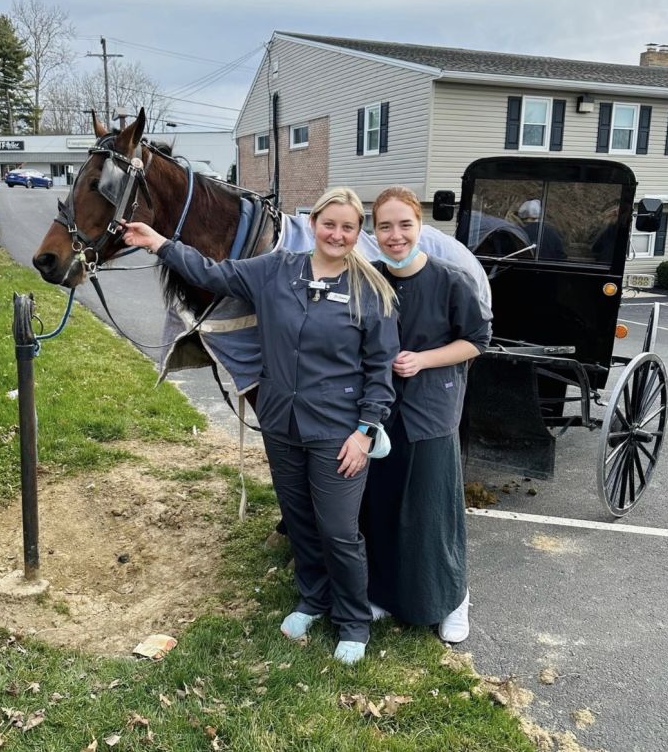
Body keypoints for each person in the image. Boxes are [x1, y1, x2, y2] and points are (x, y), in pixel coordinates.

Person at [120, 188, 399, 664]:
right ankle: (313, 599)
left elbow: (381, 371)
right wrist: (159, 243)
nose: (337, 234)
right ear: (314, 224)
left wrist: (365, 431)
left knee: (338, 530)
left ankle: (353, 619)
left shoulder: (371, 292)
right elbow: (212, 273)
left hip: (338, 430)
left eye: (348, 227)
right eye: (329, 224)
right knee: (301, 520)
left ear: (358, 233)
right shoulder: (276, 270)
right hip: (282, 421)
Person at [361, 186, 491, 643]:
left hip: (432, 409)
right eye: (384, 226)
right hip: (379, 410)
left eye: (404, 224)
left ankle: (453, 597)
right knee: (381, 505)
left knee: (433, 511)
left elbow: (476, 340)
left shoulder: (452, 280)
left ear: (420, 226)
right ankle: (385, 593)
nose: (395, 235)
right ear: (372, 232)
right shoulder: (368, 279)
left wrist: (423, 359)